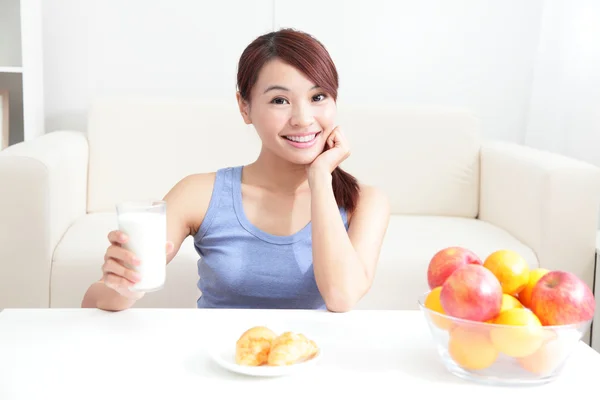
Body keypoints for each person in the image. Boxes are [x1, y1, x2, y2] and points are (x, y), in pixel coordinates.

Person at [81, 28, 390, 312]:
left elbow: (341, 297)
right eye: (280, 100)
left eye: (318, 97)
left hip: (313, 364)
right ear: (245, 107)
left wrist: (321, 178)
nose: (303, 118)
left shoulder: (366, 202)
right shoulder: (198, 194)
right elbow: (94, 301)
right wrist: (122, 287)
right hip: (215, 364)